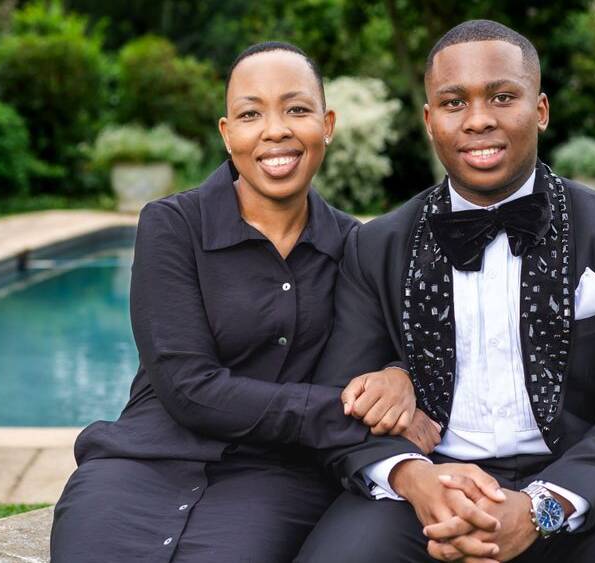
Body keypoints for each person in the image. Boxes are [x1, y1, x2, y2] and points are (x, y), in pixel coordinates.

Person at [297, 20, 595, 562]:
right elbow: (341, 399)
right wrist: (415, 478)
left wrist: (542, 505)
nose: (478, 120)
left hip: (587, 485)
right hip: (429, 487)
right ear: (429, 120)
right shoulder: (376, 246)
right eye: (454, 103)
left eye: (502, 97)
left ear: (540, 110)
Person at [50, 42, 434, 563]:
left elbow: (386, 350)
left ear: (327, 125)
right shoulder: (171, 226)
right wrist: (340, 415)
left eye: (296, 109)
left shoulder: (355, 246)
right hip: (143, 461)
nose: (275, 130)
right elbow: (188, 387)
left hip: (276, 476)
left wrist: (397, 374)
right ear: (227, 134)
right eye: (251, 114)